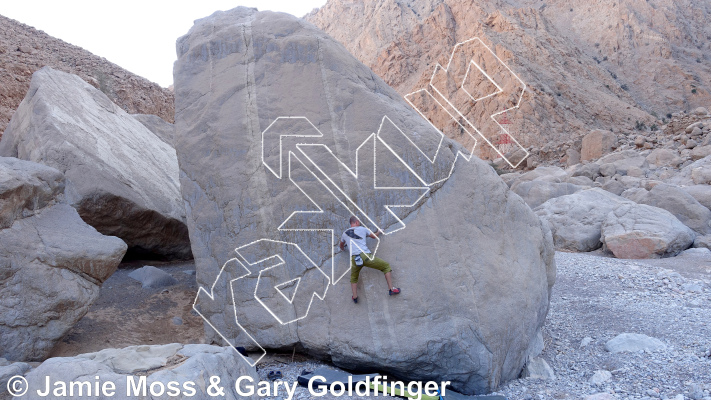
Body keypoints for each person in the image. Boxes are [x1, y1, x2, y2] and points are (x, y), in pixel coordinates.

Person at [339, 216, 400, 303]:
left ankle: (355, 297)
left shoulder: (344, 233)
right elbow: (373, 236)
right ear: (356, 222)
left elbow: (341, 245)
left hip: (354, 259)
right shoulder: (362, 229)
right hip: (365, 256)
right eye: (359, 221)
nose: (359, 223)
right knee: (386, 266)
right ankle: (391, 289)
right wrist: (379, 231)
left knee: (353, 278)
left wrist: (343, 249)